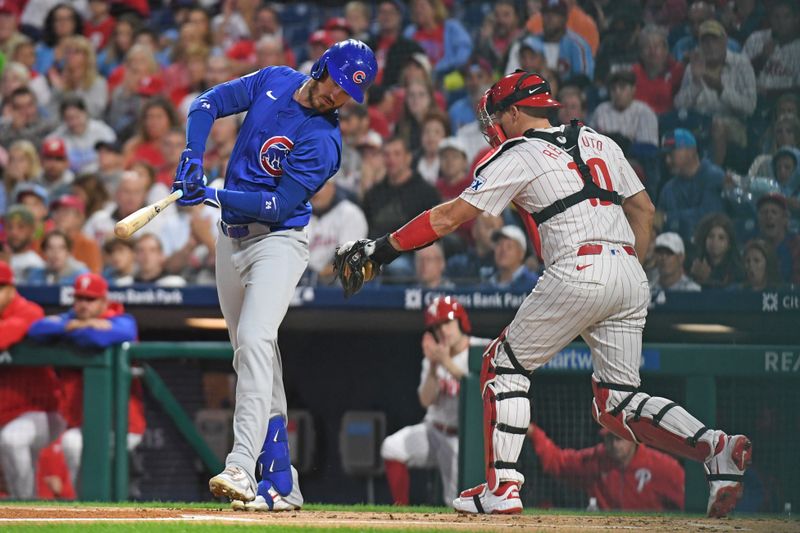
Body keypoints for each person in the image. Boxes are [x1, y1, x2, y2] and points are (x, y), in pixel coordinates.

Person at [337, 70, 751, 517]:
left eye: (498, 115)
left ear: (515, 113)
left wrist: (383, 248)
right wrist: (627, 265)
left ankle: (503, 488)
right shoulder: (598, 140)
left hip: (578, 264)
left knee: (502, 364)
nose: (494, 124)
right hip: (630, 271)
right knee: (618, 403)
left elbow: (451, 216)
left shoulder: (518, 151)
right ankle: (716, 448)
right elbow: (644, 210)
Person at [168, 39, 378, 511]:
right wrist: (192, 155)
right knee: (251, 353)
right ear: (321, 66)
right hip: (231, 239)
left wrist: (212, 194)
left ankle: (243, 463)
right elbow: (208, 103)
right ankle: (282, 479)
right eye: (337, 83)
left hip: (278, 242)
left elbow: (278, 205)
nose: (337, 96)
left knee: (257, 340)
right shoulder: (275, 80)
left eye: (348, 93)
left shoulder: (325, 141)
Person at [27, 273, 144, 490]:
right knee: (71, 443)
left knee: (114, 477)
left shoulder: (123, 320)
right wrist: (75, 326)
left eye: (90, 300)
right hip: (84, 422)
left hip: (123, 424)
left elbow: (95, 338)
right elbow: (36, 329)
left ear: (104, 301)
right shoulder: (72, 320)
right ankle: (82, 506)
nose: (83, 305)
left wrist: (71, 329)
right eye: (79, 299)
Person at [381, 296, 472, 506]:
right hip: (434, 431)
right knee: (391, 447)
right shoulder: (434, 358)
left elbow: (476, 389)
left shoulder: (480, 349)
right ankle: (401, 512)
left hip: (462, 440)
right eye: (437, 326)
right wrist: (433, 365)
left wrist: (446, 363)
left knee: (455, 502)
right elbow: (425, 400)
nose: (443, 331)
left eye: (447, 322)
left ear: (461, 321)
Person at [0, 260, 63, 499]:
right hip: (6, 413)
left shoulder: (30, 310)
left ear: (10, 289)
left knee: (13, 439)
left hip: (41, 413)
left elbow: (4, 335)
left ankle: (25, 507)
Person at [528, 424, 685, 511]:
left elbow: (688, 503)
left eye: (619, 439)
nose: (614, 444)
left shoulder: (662, 466)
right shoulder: (597, 459)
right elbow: (558, 462)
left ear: (633, 439)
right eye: (609, 438)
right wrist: (533, 432)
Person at [657, 129, 725, 245]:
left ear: (691, 151)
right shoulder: (668, 188)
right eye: (665, 156)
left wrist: (667, 218)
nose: (667, 161)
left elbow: (709, 216)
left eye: (671, 154)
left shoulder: (714, 176)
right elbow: (657, 221)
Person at [689, 213, 744, 289]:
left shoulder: (738, 271)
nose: (715, 241)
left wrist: (705, 280)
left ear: (729, 244)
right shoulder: (695, 265)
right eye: (711, 236)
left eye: (721, 238)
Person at [485, 225, 539, 291]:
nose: (503, 250)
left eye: (509, 246)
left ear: (521, 253)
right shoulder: (487, 285)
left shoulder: (535, 285)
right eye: (499, 244)